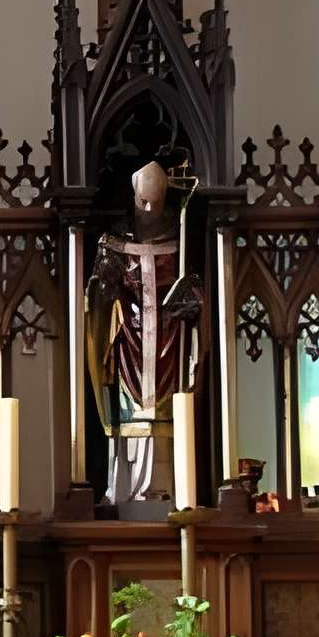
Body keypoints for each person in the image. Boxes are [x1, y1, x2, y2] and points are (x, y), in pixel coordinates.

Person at [88, 160, 199, 511]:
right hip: (129, 342)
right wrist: (105, 278)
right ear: (133, 197)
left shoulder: (179, 241)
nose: (149, 209)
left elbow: (196, 291)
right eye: (143, 201)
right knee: (128, 412)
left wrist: (191, 298)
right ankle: (122, 487)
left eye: (156, 201)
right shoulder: (115, 241)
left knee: (167, 413)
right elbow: (99, 298)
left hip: (169, 341)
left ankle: (166, 489)